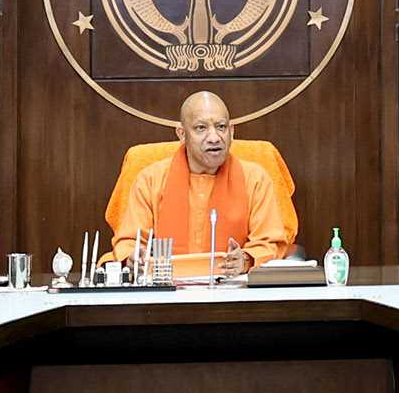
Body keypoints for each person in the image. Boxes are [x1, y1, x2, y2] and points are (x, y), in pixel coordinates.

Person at [110, 91, 295, 277]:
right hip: (166, 289)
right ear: (182, 134)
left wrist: (246, 259)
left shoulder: (255, 179)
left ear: (232, 131)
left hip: (233, 290)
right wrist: (133, 258)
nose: (214, 138)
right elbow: (129, 243)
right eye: (201, 128)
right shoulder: (150, 180)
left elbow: (270, 242)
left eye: (221, 127)